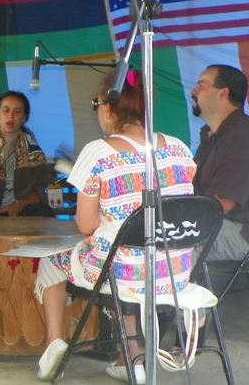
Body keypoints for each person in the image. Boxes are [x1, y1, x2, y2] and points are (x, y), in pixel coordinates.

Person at [33, 70, 197, 383]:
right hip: (173, 271)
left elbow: (85, 225)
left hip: (124, 272)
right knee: (120, 252)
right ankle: (129, 357)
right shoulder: (179, 148)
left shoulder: (98, 151)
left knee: (53, 259)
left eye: (96, 104)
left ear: (108, 109)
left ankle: (53, 343)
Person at [190, 64, 249, 264]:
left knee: (173, 247)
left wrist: (175, 219)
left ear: (222, 93)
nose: (193, 91)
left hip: (241, 232)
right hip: (218, 225)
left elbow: (222, 205)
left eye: (201, 85)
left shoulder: (243, 135)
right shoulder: (212, 135)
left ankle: (172, 295)